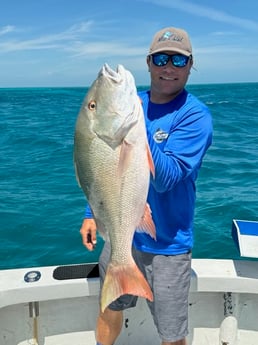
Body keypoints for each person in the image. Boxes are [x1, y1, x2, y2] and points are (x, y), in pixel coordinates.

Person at [80, 26, 213, 345]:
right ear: (149, 63)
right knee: (108, 311)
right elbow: (102, 169)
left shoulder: (195, 117)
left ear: (191, 65)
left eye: (179, 61)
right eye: (161, 58)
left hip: (168, 247)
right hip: (119, 234)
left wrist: (134, 131)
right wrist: (90, 212)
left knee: (172, 333)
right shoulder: (132, 106)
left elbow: (167, 179)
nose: (168, 67)